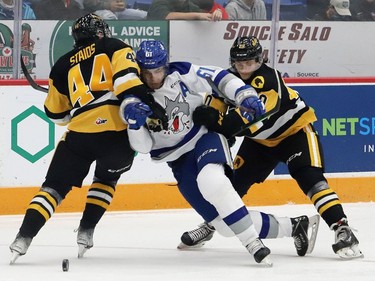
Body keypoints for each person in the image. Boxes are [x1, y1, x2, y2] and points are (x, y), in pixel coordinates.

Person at [120, 40, 321, 266]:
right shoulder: (133, 96)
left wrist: (244, 94)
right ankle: (294, 226)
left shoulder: (182, 72)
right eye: (147, 72)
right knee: (224, 227)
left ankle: (253, 244)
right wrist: (134, 125)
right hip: (176, 160)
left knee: (212, 181)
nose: (154, 78)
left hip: (204, 139)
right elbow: (144, 147)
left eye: (158, 70)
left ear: (165, 65)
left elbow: (217, 76)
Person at [180, 36, 364, 260]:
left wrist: (219, 125)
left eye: (250, 63)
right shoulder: (226, 81)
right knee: (229, 188)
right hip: (260, 143)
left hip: (295, 134)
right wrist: (211, 119)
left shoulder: (269, 79)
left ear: (260, 60)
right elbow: (215, 108)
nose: (245, 68)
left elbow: (247, 119)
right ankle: (212, 225)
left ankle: (341, 228)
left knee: (311, 179)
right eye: (240, 63)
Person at [9, 13, 151, 264]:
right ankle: (86, 231)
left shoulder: (61, 65)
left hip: (80, 135)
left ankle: (23, 238)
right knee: (106, 179)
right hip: (116, 133)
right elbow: (128, 81)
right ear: (100, 32)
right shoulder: (116, 46)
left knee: (52, 188)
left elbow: (56, 115)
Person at [147, 0, 223, 21]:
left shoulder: (187, 4)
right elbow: (166, 16)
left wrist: (217, 12)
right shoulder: (159, 2)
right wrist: (196, 16)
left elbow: (205, 16)